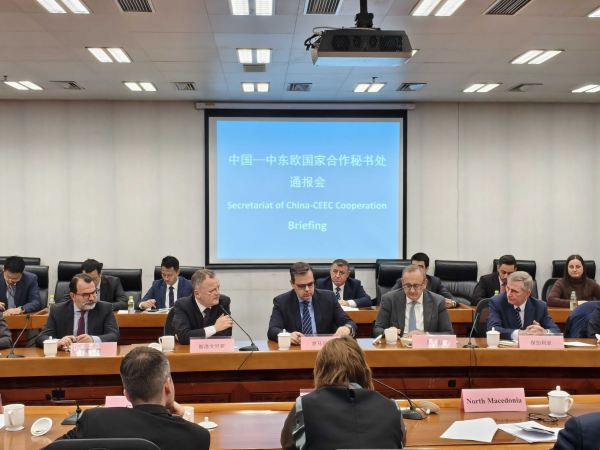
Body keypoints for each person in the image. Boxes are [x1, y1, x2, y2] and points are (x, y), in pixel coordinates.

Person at [55, 347, 210, 450]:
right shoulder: (198, 436)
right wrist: (181, 420)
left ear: (127, 395)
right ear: (167, 386)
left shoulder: (94, 421)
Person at [280, 336, 406, 450]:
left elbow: (288, 445)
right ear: (363, 369)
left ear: (321, 370)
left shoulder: (304, 405)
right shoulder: (392, 407)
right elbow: (400, 442)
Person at [268, 262, 357, 345]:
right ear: (292, 284)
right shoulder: (282, 302)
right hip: (296, 350)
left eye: (310, 284)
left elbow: (349, 322)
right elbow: (272, 330)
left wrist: (347, 327)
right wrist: (287, 335)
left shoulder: (328, 298)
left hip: (324, 350)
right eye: (301, 286)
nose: (307, 289)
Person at [36, 274, 120, 349]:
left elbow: (114, 336)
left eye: (94, 292)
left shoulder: (105, 309)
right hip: (66, 357)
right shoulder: (58, 311)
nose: (92, 298)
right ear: (73, 296)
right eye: (86, 295)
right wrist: (58, 342)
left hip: (95, 356)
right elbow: (41, 338)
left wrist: (93, 340)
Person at [373, 265, 454, 338]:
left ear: (425, 284)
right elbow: (376, 330)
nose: (412, 290)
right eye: (408, 285)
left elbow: (448, 333)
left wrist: (426, 335)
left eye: (416, 285)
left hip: (425, 346)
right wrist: (387, 332)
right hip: (398, 346)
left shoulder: (438, 301)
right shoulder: (389, 299)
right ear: (402, 283)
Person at [487, 271, 561, 340]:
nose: (508, 294)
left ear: (527, 293)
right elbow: (492, 329)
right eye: (508, 288)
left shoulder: (540, 306)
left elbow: (556, 331)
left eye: (514, 291)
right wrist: (520, 333)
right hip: (506, 348)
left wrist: (544, 332)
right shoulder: (497, 302)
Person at [173, 269, 233, 345]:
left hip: (215, 350)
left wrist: (192, 335)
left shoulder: (223, 302)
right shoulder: (182, 305)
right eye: (212, 290)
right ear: (197, 294)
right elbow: (184, 336)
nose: (218, 293)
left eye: (218, 288)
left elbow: (226, 336)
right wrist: (215, 328)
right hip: (188, 351)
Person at [390, 252, 460, 308]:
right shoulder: (403, 281)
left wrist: (452, 303)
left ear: (427, 269)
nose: (416, 271)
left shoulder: (435, 282)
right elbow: (388, 298)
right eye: (414, 267)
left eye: (420, 268)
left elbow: (453, 299)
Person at [60, 259, 128, 311]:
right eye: (86, 279)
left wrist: (98, 306)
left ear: (100, 274)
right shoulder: (78, 283)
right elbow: (63, 303)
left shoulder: (113, 282)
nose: (90, 283)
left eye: (93, 279)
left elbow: (123, 304)